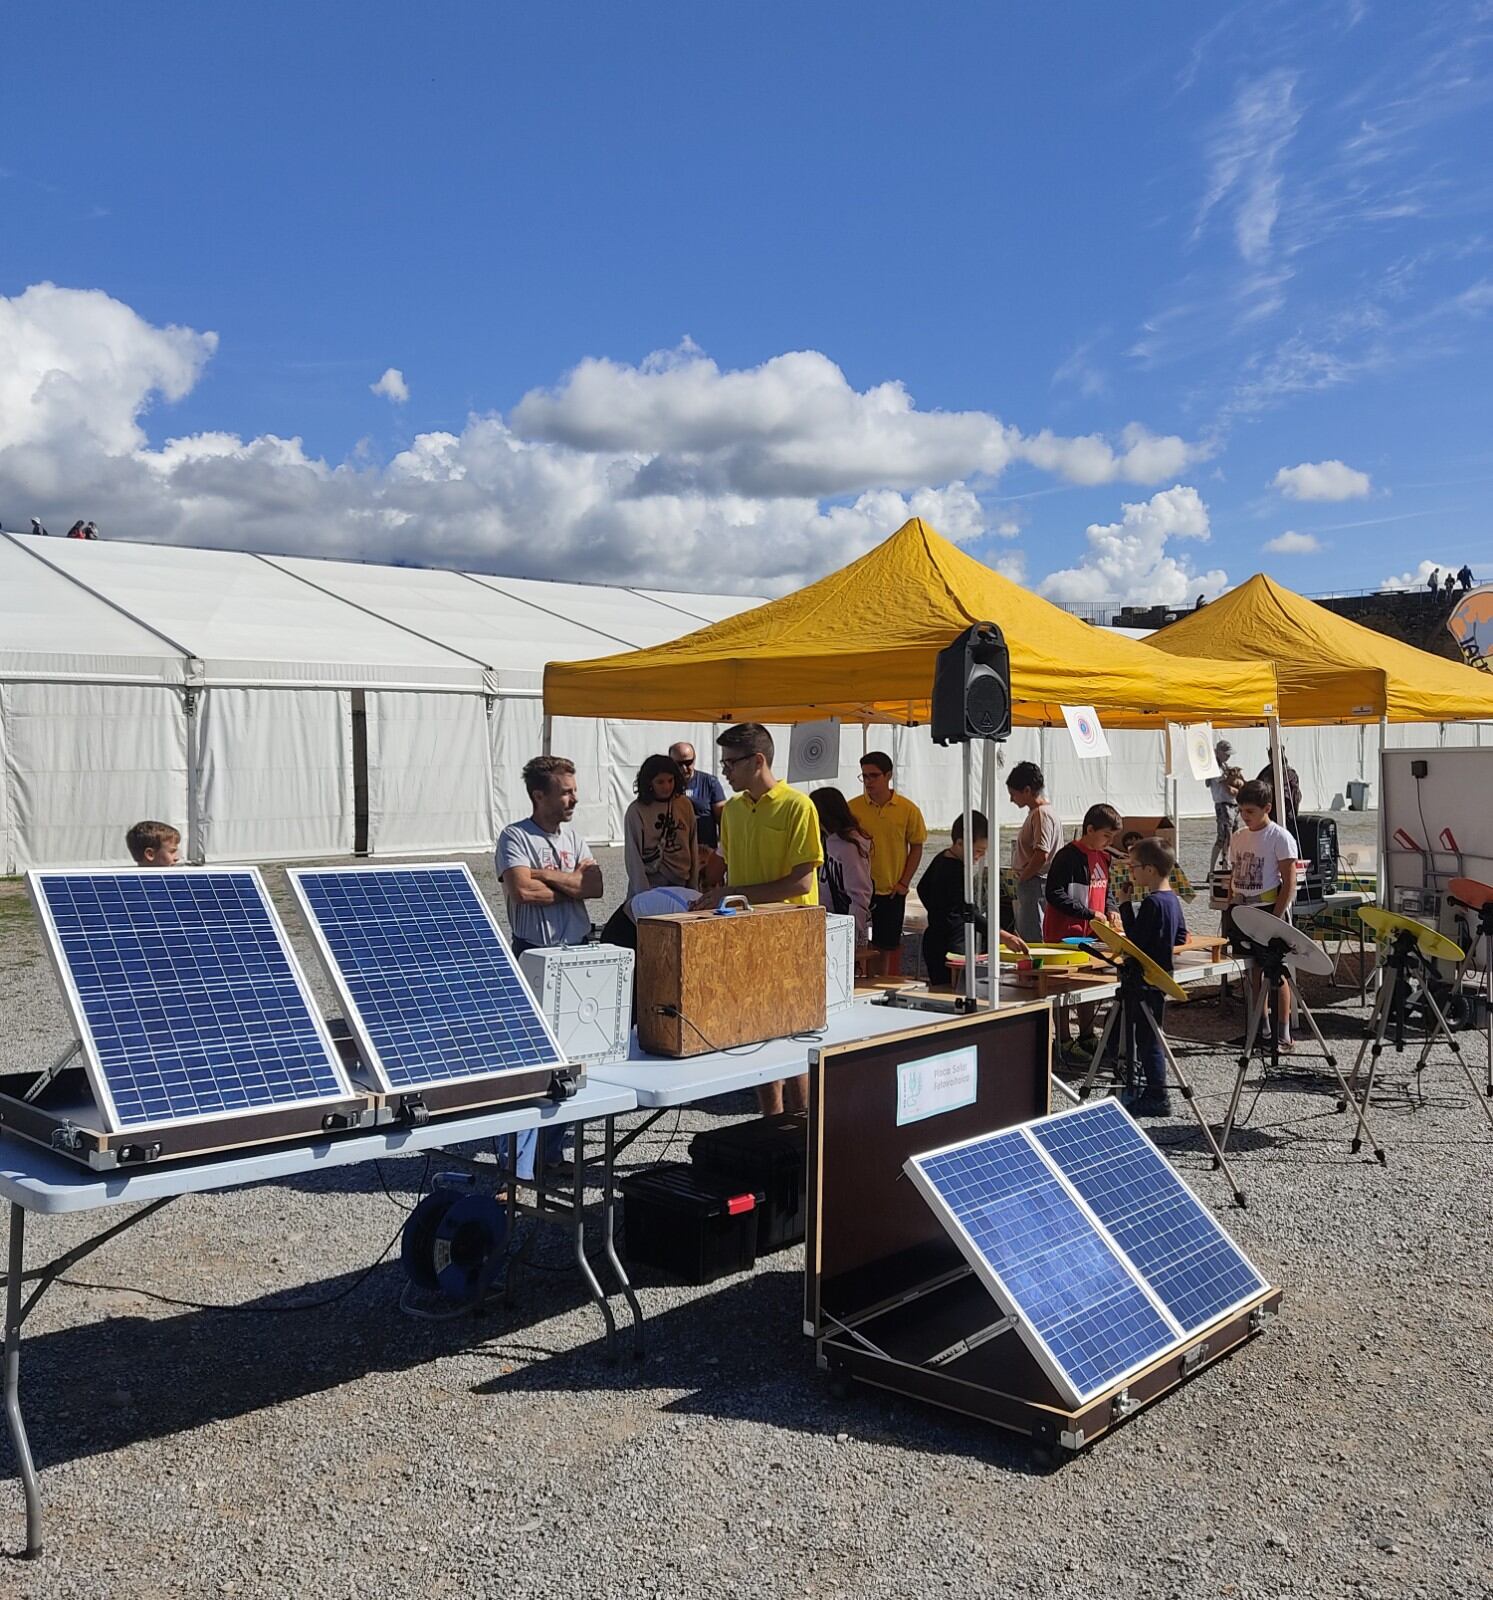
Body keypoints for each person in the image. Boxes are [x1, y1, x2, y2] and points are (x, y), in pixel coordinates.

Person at [700, 723, 823, 1115]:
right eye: (722, 763)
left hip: (792, 937)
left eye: (731, 763)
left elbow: (801, 881)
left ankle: (801, 1127)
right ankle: (770, 1125)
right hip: (747, 936)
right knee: (757, 1033)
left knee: (794, 1034)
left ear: (758, 761)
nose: (725, 772)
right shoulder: (732, 810)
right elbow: (728, 870)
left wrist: (732, 896)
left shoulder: (797, 806)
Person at [496, 755, 602, 956]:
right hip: (535, 950)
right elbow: (523, 891)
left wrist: (542, 875)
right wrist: (573, 887)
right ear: (539, 796)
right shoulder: (515, 836)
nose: (575, 799)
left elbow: (594, 887)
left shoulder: (574, 839)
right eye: (566, 793)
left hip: (578, 946)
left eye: (574, 791)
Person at [1044, 803, 1123, 1061]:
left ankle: (1087, 1035)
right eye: (1106, 836)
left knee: (1089, 983)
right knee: (1063, 986)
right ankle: (1063, 1040)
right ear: (1089, 829)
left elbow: (1106, 889)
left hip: (1093, 934)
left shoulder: (1104, 856)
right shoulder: (1067, 856)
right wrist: (1088, 913)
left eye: (1112, 837)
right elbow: (1054, 893)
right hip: (1065, 934)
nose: (1109, 842)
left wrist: (1111, 909)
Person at [916, 810, 1026, 989]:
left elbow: (922, 888)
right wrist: (1002, 935)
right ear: (960, 843)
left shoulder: (942, 857)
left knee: (944, 990)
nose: (979, 856)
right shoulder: (956, 870)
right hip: (952, 945)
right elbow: (969, 911)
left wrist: (939, 911)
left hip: (936, 937)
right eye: (978, 851)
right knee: (955, 993)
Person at [1229, 779, 1299, 1050]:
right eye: (1241, 811)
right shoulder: (1239, 836)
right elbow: (1234, 873)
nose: (1245, 817)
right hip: (1242, 910)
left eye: (1250, 812)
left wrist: (1277, 917)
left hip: (1268, 910)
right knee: (1252, 971)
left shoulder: (1279, 837)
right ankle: (1261, 1029)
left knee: (1275, 971)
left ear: (1266, 808)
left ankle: (1283, 1034)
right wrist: (1230, 907)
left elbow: (1289, 882)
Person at [1121, 837, 1187, 1118]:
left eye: (1133, 867)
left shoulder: (1151, 903)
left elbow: (1134, 940)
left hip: (1147, 978)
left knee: (1147, 1040)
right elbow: (1182, 935)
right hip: (1161, 977)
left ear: (1149, 869)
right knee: (1151, 1035)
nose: (1131, 872)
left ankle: (1157, 1094)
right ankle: (1151, 1089)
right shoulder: (1172, 899)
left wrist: (1125, 905)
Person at [849, 751, 928, 978]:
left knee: (885, 947)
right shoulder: (852, 808)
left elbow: (917, 846)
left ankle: (879, 986)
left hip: (891, 891)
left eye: (874, 776)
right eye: (864, 776)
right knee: (856, 945)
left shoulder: (907, 809)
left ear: (888, 776)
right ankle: (858, 985)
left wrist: (904, 883)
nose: (868, 782)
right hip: (858, 890)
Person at [623, 753, 698, 898]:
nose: (667, 787)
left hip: (682, 882)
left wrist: (694, 885)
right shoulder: (636, 810)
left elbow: (692, 844)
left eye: (670, 780)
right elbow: (633, 857)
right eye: (660, 782)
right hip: (651, 884)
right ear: (649, 782)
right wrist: (643, 896)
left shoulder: (684, 804)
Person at [1006, 760, 1062, 943]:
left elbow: (1041, 853)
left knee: (1033, 936)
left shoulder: (1041, 814)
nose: (1011, 800)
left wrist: (1024, 876)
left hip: (1036, 883)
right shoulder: (1041, 813)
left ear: (1027, 791)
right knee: (1031, 931)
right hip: (1036, 882)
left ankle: (1035, 971)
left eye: (1013, 794)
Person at [810, 786, 873, 949]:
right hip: (826, 920)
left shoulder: (849, 845)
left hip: (844, 924)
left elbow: (860, 893)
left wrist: (853, 934)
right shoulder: (824, 840)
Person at [670, 740, 725, 852]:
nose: (684, 768)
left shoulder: (710, 782)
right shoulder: (666, 784)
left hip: (705, 852)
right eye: (678, 764)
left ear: (694, 760)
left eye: (688, 763)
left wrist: (724, 851)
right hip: (675, 853)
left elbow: (723, 819)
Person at [1206, 741, 1245, 879]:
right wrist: (1234, 778)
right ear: (1218, 752)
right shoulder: (1214, 768)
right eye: (1226, 754)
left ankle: (1226, 865)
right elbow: (1225, 782)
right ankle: (1214, 869)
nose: (1228, 757)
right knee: (1224, 837)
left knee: (1233, 837)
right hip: (1223, 804)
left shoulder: (1224, 766)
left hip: (1232, 804)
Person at [1255, 753, 1302, 841]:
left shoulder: (1289, 773)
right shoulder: (1266, 771)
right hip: (1270, 809)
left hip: (1285, 811)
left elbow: (1292, 795)